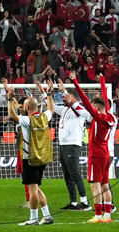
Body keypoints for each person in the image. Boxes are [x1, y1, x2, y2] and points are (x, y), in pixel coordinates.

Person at [6, 80, 54, 226]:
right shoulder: (45, 117)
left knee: (32, 189)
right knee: (36, 188)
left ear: (27, 107)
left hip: (30, 157)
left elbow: (12, 116)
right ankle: (47, 216)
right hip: (42, 157)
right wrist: (47, 93)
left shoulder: (28, 120)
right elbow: (51, 108)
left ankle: (33, 218)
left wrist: (10, 99)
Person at [69, 72, 115, 222]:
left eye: (93, 106)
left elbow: (85, 101)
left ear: (96, 107)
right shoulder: (109, 116)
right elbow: (104, 100)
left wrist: (75, 82)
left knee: (95, 187)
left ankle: (98, 216)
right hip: (105, 155)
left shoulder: (99, 118)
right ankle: (107, 216)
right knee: (105, 185)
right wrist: (102, 80)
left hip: (96, 155)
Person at [51, 75, 91, 212]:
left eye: (67, 97)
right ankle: (73, 202)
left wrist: (64, 91)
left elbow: (73, 103)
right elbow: (51, 106)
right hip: (63, 145)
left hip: (73, 145)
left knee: (75, 173)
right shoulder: (65, 110)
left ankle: (85, 202)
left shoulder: (79, 110)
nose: (64, 98)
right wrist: (46, 93)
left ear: (73, 98)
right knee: (67, 174)